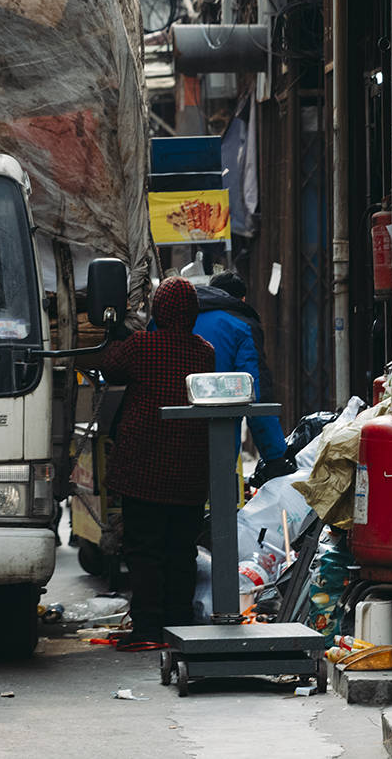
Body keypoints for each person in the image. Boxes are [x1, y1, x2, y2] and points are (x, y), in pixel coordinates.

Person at [95, 275, 217, 651]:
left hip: (144, 469)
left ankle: (147, 627)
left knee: (144, 549)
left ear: (159, 311)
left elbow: (109, 366)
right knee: (181, 549)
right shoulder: (204, 351)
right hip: (189, 471)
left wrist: (117, 329)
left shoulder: (142, 346)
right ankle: (179, 624)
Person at [195, 272, 288, 474]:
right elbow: (255, 389)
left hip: (164, 435)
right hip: (219, 436)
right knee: (218, 495)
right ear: (242, 299)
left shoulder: (173, 317)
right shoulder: (241, 325)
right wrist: (274, 456)